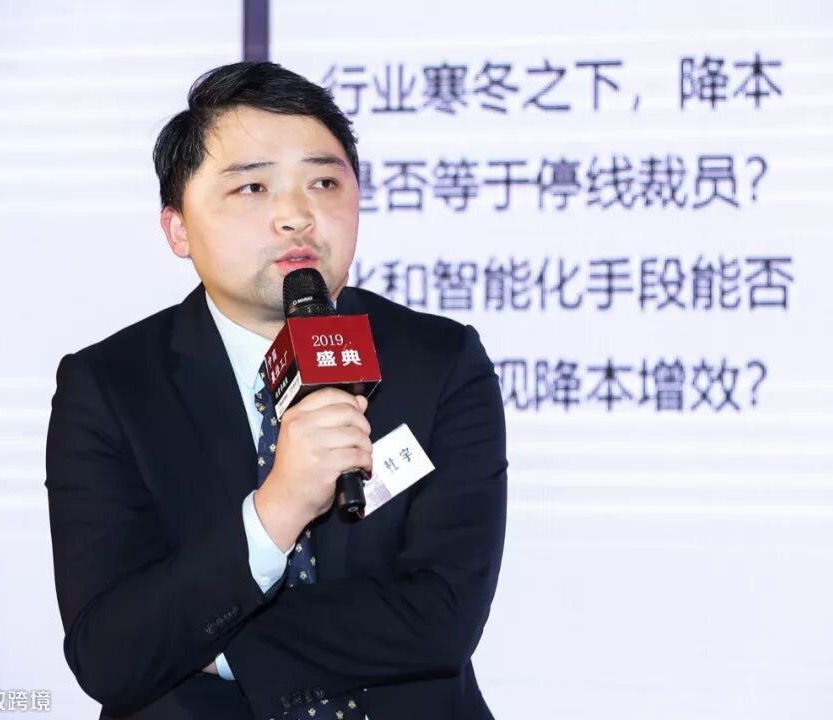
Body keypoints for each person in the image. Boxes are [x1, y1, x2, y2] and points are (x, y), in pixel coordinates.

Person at [45, 61, 507, 720]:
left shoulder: (440, 360)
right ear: (178, 227)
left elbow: (442, 620)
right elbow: (111, 653)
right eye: (253, 187)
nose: (296, 216)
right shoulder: (110, 387)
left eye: (324, 182)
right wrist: (277, 510)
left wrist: (211, 647)